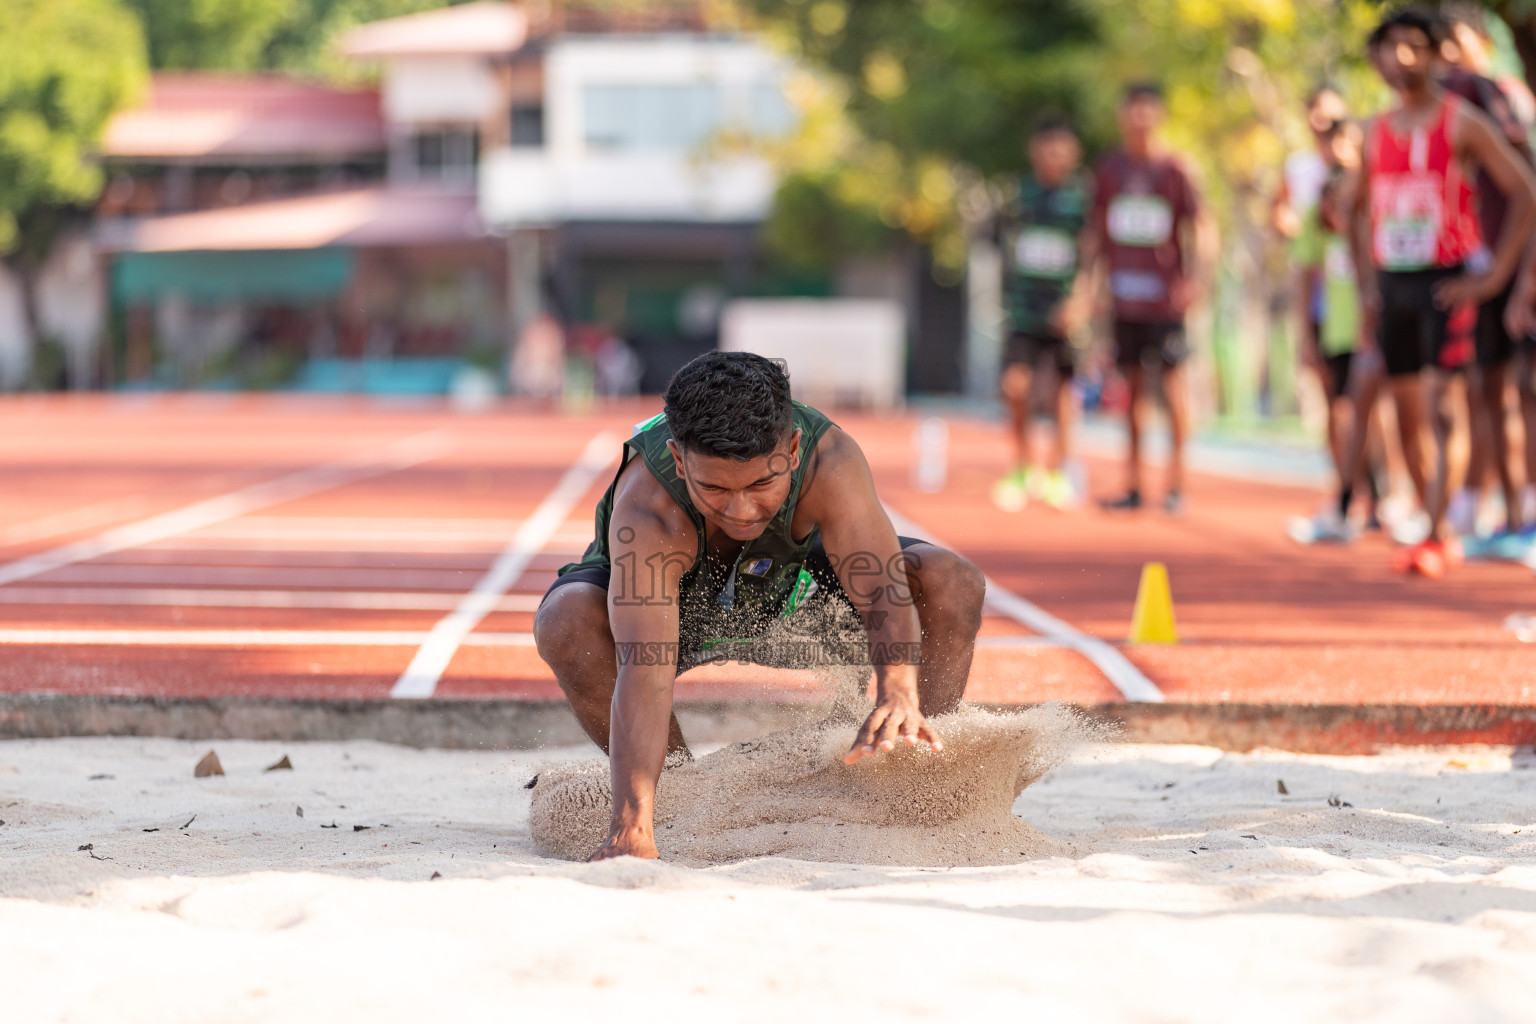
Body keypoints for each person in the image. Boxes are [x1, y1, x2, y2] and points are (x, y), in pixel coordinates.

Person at [533, 352, 986, 860]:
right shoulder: (649, 509)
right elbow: (645, 667)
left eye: (761, 485)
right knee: (564, 620)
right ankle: (681, 793)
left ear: (792, 450)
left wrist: (898, 689)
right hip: (681, 607)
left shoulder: (829, 461)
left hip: (796, 591)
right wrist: (628, 825)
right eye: (715, 489)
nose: (741, 510)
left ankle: (920, 779)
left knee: (952, 581)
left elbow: (882, 590)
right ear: (680, 461)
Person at [1350, 7, 1536, 577]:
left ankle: (1437, 529)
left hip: (1445, 281)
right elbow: (1356, 209)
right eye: (1388, 47)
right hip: (1393, 284)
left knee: (1443, 406)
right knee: (1406, 412)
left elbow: (1526, 191)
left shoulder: (1461, 122)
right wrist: (1365, 286)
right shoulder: (1375, 131)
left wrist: (1495, 278)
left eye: (1412, 46)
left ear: (1435, 55)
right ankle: (1430, 518)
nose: (1399, 58)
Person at [1086, 83, 1217, 514]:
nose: (1140, 120)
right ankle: (1135, 484)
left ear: (1159, 116)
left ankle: (1177, 484)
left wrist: (1197, 278)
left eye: (1148, 111)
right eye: (1133, 111)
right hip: (1125, 300)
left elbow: (1203, 224)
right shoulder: (1109, 170)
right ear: (1123, 116)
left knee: (1174, 386)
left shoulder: (1176, 169)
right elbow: (1096, 233)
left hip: (1166, 303)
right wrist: (1093, 284)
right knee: (1132, 391)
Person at [1436, 6, 1536, 544]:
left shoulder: (1490, 91)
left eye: (1453, 42)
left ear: (1478, 40)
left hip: (1514, 262)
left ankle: (1524, 512)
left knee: (1523, 388)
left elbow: (1528, 178)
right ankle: (1507, 509)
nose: (1445, 56)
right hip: (1483, 263)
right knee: (1489, 388)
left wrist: (1523, 277)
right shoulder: (1450, 96)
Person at [992, 116, 1090, 512]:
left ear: (1073, 153)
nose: (1054, 156)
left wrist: (1081, 301)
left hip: (1065, 310)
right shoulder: (1019, 196)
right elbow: (1003, 249)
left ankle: (1059, 472)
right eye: (1047, 148)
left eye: (1062, 148)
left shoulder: (1082, 199)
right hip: (1023, 310)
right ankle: (1021, 468)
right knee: (1015, 387)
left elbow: (1092, 252)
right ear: (1035, 152)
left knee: (1063, 393)